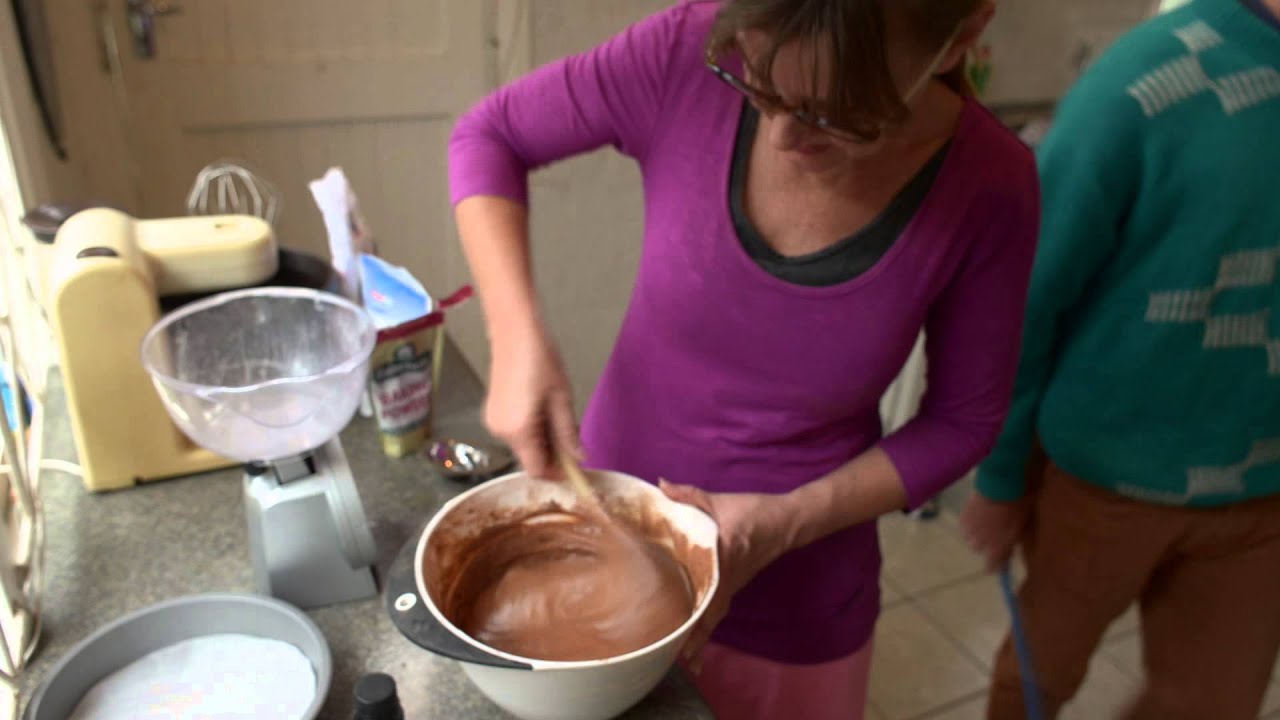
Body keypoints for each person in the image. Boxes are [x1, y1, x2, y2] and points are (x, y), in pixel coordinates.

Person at [449, 1, 1039, 717]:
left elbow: (962, 419)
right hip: (605, 529)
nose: (784, 135)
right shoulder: (686, 51)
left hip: (799, 600)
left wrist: (782, 523)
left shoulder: (991, 185)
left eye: (839, 117)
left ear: (961, 39)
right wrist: (514, 337)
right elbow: (491, 134)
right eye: (758, 85)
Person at [962, 0, 1280, 718]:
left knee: (1212, 702)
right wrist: (1004, 477)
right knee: (1037, 677)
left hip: (1265, 492)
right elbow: (1028, 298)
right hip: (1105, 480)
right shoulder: (1147, 83)